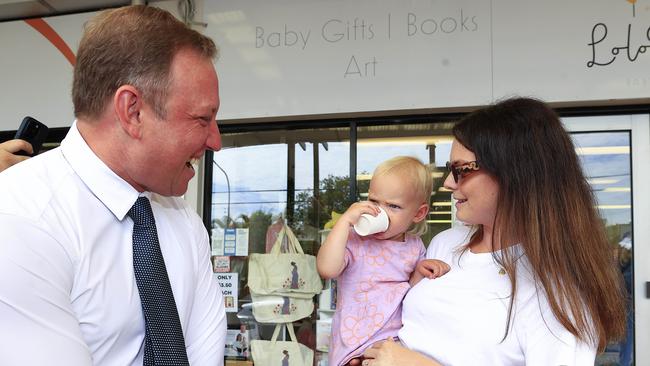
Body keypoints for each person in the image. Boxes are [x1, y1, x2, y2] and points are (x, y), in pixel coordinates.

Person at [0, 5, 226, 365]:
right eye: (202, 119)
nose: (215, 140)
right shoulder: (20, 219)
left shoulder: (183, 221)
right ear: (132, 111)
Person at [358, 97, 627, 365]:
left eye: (461, 170)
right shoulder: (445, 244)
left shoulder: (559, 294)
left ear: (516, 173)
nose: (449, 183)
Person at [317, 156, 450, 366]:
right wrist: (344, 223)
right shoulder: (354, 239)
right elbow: (327, 268)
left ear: (418, 213)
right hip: (352, 346)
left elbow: (411, 295)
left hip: (393, 346)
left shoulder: (414, 247)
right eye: (374, 201)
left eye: (393, 206)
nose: (380, 211)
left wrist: (420, 272)